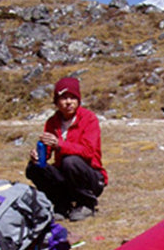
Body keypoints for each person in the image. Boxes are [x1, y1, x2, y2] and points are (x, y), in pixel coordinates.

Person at [26, 77, 107, 221]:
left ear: (78, 100)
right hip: (65, 177)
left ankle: (86, 203)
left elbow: (88, 152)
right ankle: (61, 204)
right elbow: (48, 151)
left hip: (90, 176)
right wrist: (38, 155)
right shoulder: (52, 122)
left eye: (72, 97)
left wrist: (60, 145)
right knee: (35, 167)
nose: (68, 102)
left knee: (70, 162)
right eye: (63, 98)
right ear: (57, 102)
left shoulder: (89, 119)